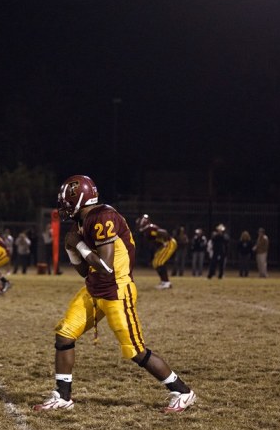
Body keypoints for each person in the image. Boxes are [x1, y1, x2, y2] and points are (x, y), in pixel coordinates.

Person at [33, 175, 196, 413]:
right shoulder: (81, 221)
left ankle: (182, 392)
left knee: (135, 350)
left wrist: (78, 245)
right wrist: (73, 250)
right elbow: (83, 270)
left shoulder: (102, 217)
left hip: (116, 290)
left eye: (67, 199)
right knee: (64, 335)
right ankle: (63, 396)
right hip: (93, 288)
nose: (64, 204)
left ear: (80, 198)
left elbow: (106, 266)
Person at [136, 214, 177, 290]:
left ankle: (166, 283)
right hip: (165, 244)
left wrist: (165, 241)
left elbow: (164, 232)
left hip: (169, 243)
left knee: (159, 262)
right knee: (155, 263)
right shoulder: (146, 230)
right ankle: (163, 282)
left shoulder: (150, 228)